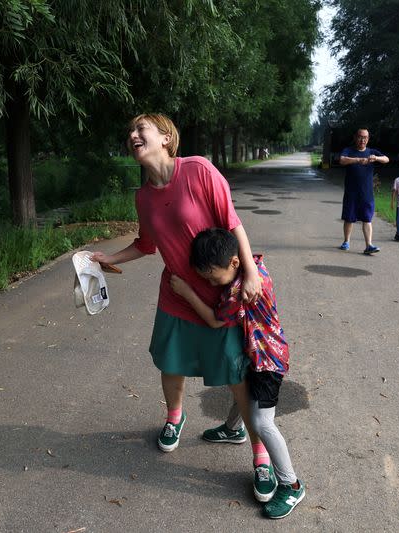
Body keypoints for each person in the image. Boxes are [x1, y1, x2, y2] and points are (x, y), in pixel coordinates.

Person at [88, 113, 264, 483]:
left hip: (219, 294)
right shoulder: (143, 197)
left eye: (141, 129)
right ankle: (174, 416)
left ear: (166, 138)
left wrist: (249, 272)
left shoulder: (198, 170)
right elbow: (146, 245)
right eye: (130, 131)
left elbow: (232, 222)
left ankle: (259, 452)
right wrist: (109, 258)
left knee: (235, 371)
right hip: (176, 294)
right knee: (172, 362)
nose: (133, 135)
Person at [169, 228, 305, 519]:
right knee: (245, 392)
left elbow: (214, 321)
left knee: (262, 422)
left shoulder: (240, 291)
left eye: (212, 277)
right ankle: (232, 430)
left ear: (233, 263)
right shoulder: (254, 266)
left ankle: (291, 484)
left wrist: (188, 292)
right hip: (257, 355)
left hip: (268, 362)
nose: (210, 283)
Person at [338, 128, 390, 254]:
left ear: (368, 139)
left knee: (367, 219)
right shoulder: (349, 150)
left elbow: (387, 159)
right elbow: (342, 160)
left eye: (365, 137)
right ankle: (346, 241)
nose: (363, 140)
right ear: (355, 137)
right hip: (351, 193)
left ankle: (369, 245)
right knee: (349, 218)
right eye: (360, 137)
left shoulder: (371, 152)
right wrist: (357, 160)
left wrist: (376, 158)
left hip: (366, 194)